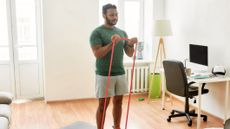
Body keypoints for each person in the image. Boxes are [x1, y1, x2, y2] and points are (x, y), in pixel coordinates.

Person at [89, 3, 137, 129]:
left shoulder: (122, 32)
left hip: (119, 73)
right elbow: (97, 54)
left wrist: (131, 44)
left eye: (116, 14)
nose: (115, 17)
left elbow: (130, 54)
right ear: (104, 15)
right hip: (104, 74)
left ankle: (117, 126)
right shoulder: (97, 33)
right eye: (111, 15)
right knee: (103, 105)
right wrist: (112, 43)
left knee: (118, 102)